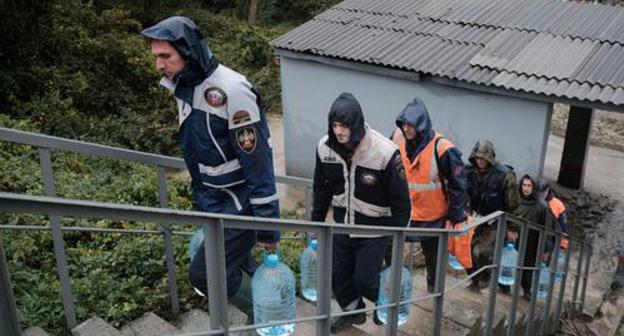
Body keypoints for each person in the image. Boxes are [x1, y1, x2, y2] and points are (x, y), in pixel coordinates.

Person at [141, 16, 280, 318]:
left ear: (188, 52)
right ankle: (267, 301)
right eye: (155, 57)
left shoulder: (233, 90)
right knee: (230, 259)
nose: (159, 66)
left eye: (165, 56)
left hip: (239, 204)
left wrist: (268, 227)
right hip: (212, 201)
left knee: (204, 275)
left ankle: (264, 309)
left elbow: (259, 165)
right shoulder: (185, 86)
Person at [311, 92, 411, 333]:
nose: (339, 131)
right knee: (335, 276)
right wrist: (315, 227)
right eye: (334, 125)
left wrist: (395, 239)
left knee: (365, 280)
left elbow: (401, 202)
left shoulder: (385, 152)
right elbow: (321, 190)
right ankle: (353, 312)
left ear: (356, 124)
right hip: (341, 224)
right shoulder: (324, 147)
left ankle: (385, 304)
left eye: (344, 125)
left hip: (374, 229)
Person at [394, 98, 469, 293]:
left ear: (422, 125)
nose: (407, 129)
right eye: (404, 124)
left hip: (434, 217)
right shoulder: (399, 141)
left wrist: (455, 216)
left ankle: (434, 290)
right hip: (407, 213)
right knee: (388, 246)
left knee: (433, 258)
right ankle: (392, 287)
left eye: (411, 125)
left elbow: (459, 184)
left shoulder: (443, 148)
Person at [465, 139, 519, 291]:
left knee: (481, 251)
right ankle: (475, 279)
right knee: (465, 250)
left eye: (483, 158)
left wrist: (512, 227)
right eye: (477, 157)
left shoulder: (505, 175)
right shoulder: (468, 171)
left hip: (495, 221)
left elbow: (513, 204)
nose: (480, 161)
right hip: (474, 218)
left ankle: (485, 278)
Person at [515, 175, 554, 300]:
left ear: (534, 188)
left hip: (531, 241)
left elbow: (547, 228)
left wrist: (546, 249)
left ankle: (527, 291)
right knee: (510, 262)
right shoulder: (515, 200)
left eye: (529, 186)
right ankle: (504, 287)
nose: (526, 188)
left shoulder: (541, 206)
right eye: (524, 185)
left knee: (527, 267)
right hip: (515, 238)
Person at [538, 180, 570, 250]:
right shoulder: (535, 201)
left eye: (542, 192)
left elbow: (564, 227)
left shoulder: (558, 205)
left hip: (551, 243)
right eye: (539, 192)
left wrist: (562, 246)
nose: (541, 194)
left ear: (547, 190)